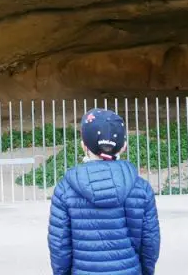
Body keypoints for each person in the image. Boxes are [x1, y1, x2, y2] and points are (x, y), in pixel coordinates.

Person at [47, 108, 161, 275]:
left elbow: (59, 245)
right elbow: (150, 242)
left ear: (83, 146)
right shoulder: (141, 188)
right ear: (123, 147)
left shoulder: (65, 190)